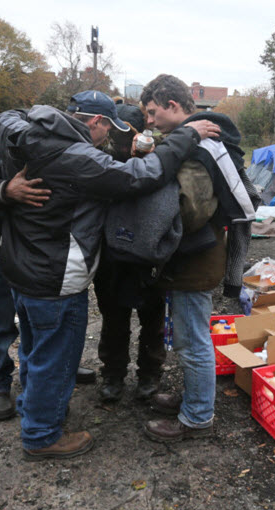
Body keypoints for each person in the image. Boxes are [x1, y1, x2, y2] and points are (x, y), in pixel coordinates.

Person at [0, 90, 220, 461]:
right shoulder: (73, 155)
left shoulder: (18, 133)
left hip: (24, 267)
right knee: (56, 355)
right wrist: (187, 135)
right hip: (54, 274)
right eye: (108, 128)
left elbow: (5, 115)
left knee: (36, 348)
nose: (108, 137)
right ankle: (41, 434)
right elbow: (141, 176)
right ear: (96, 122)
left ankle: (36, 411)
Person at [138, 74, 258, 443]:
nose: (150, 121)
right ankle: (193, 399)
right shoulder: (196, 141)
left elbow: (191, 212)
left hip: (196, 259)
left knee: (193, 342)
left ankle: (197, 417)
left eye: (153, 112)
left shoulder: (200, 149)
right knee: (190, 337)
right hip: (194, 257)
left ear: (174, 107)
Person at [0, 115, 96, 421]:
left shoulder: (77, 154)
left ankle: (41, 391)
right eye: (99, 129)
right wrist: (6, 191)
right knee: (0, 322)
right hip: (1, 250)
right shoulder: (15, 146)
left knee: (36, 329)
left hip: (37, 256)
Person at [94, 102, 167, 403]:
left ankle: (149, 376)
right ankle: (113, 374)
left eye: (129, 134)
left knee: (152, 320)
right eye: (116, 133)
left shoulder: (158, 162)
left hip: (148, 257)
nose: (122, 141)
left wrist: (150, 155)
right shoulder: (101, 160)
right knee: (114, 320)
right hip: (111, 257)